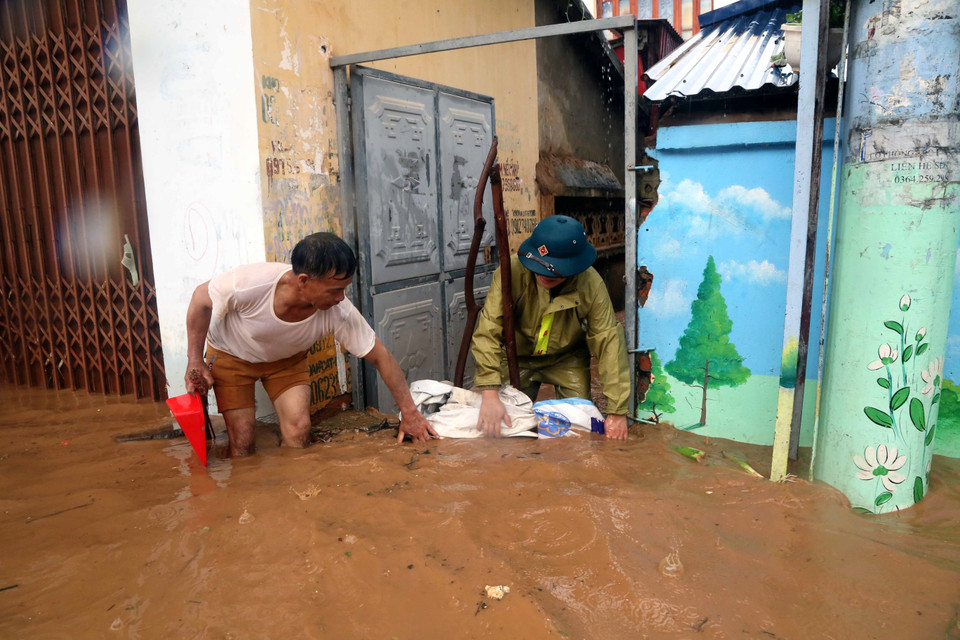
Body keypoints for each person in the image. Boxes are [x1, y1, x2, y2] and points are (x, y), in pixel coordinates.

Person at [183, 232, 436, 456]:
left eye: (344, 289)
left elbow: (382, 357)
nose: (341, 298)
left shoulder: (340, 311)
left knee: (300, 432)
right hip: (232, 356)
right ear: (303, 281)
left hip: (287, 361)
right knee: (242, 444)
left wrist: (410, 414)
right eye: (334, 290)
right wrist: (194, 360)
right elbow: (199, 300)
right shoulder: (247, 285)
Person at [471, 215, 630, 440]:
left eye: (553, 273)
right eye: (539, 269)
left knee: (581, 430)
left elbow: (609, 343)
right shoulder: (510, 272)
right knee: (505, 428)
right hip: (516, 357)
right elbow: (489, 330)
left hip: (567, 359)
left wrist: (617, 411)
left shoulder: (591, 284)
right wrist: (488, 391)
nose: (544, 276)